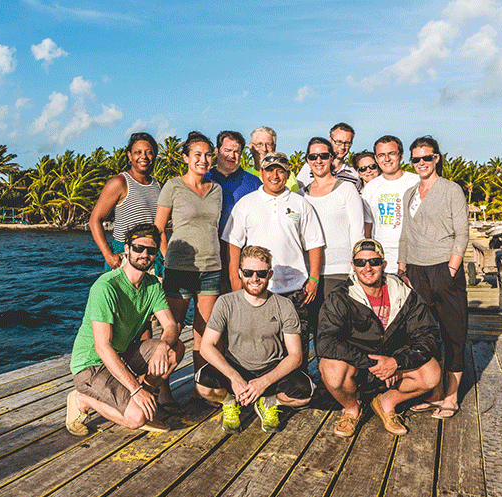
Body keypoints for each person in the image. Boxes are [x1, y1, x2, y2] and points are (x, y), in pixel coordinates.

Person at [67, 223, 186, 436]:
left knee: (174, 349)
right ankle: (82, 399)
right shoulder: (106, 287)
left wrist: (163, 345)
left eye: (151, 250)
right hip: (91, 366)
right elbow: (102, 347)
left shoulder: (152, 285)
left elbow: (169, 325)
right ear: (127, 249)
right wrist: (135, 389)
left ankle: (142, 399)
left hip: (121, 356)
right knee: (136, 418)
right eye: (138, 248)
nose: (144, 254)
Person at [316, 239, 441, 436]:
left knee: (431, 373)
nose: (367, 267)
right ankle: (351, 408)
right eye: (360, 263)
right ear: (353, 266)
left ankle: (386, 403)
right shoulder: (339, 297)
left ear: (383, 265)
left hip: (393, 366)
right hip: (358, 367)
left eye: (374, 262)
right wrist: (370, 363)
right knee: (330, 368)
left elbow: (429, 335)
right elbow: (326, 342)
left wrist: (396, 362)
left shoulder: (404, 294)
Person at [196, 245, 315, 433]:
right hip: (236, 367)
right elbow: (206, 346)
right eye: (248, 272)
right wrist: (234, 378)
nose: (254, 278)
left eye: (261, 273)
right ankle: (230, 401)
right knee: (203, 386)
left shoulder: (284, 305)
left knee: (304, 394)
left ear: (270, 274)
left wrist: (264, 382)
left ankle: (268, 402)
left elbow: (295, 356)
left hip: (270, 369)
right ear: (240, 273)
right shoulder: (226, 302)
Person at [222, 151, 324, 366]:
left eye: (280, 170)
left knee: (298, 347)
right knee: (257, 344)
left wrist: (313, 279)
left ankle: (296, 390)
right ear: (261, 173)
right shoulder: (246, 203)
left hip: (295, 290)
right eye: (269, 170)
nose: (275, 175)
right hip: (256, 287)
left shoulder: (301, 204)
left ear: (288, 175)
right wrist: (235, 279)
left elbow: (314, 243)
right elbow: (233, 244)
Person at [398, 136, 469, 420]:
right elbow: (406, 234)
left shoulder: (451, 190)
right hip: (415, 271)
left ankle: (451, 396)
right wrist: (403, 268)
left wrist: (451, 269)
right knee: (425, 335)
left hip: (443, 268)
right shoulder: (409, 194)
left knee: (454, 333)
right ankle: (435, 392)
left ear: (437, 158)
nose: (422, 163)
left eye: (427, 157)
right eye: (416, 159)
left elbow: (462, 232)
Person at [155, 131, 223, 374]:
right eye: (197, 155)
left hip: (212, 269)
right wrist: (167, 257)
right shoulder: (173, 186)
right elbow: (158, 228)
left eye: (207, 155)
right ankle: (163, 391)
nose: (203, 160)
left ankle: (200, 384)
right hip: (179, 269)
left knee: (204, 331)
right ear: (185, 157)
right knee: (172, 329)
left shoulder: (216, 189)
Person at [89, 132, 162, 273]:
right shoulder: (120, 182)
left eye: (149, 152)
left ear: (154, 155)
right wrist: (108, 254)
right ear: (130, 155)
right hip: (125, 256)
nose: (143, 157)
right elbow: (95, 220)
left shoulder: (158, 185)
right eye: (138, 152)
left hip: (151, 256)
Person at [302, 137, 364, 302]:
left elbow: (358, 231)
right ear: (307, 160)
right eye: (313, 157)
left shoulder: (347, 189)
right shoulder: (301, 195)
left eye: (323, 155)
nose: (319, 160)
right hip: (309, 273)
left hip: (340, 272)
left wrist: (356, 269)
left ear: (331, 157)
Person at [206, 130, 261, 292]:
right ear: (217, 151)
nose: (232, 155)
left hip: (243, 255)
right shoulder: (205, 178)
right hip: (211, 254)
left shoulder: (253, 182)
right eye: (227, 150)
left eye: (237, 152)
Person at [361, 135, 420, 272]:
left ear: (401, 156)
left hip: (414, 257)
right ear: (376, 158)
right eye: (381, 155)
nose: (386, 159)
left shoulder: (416, 182)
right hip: (383, 259)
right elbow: (367, 226)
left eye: (391, 154)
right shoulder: (371, 187)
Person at [297, 123, 361, 191]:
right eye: (338, 142)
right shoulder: (310, 167)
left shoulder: (353, 175)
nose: (342, 147)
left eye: (347, 143)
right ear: (330, 140)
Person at [246, 126, 300, 192]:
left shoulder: (287, 176)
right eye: (259, 144)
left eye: (268, 145)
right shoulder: (244, 176)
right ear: (251, 147)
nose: (264, 149)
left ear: (274, 147)